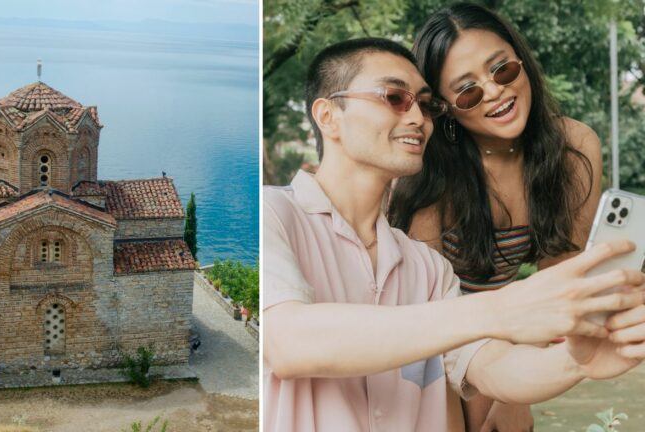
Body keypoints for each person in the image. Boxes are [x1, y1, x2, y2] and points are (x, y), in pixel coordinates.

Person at [263, 37, 645, 432]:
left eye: (426, 105)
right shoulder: (273, 214)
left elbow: (490, 366)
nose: (417, 119)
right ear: (328, 116)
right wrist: (499, 310)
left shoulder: (428, 269)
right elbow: (288, 341)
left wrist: (575, 362)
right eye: (394, 97)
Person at [389, 4, 602, 430]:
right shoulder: (431, 172)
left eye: (501, 70)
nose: (495, 92)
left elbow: (561, 281)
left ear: (521, 60)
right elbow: (429, 309)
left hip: (511, 335)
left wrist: (515, 395)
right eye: (468, 91)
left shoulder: (573, 149)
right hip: (427, 335)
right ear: (446, 107)